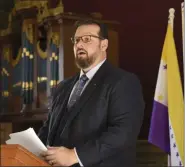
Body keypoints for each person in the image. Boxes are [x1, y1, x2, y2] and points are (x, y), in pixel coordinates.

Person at [38, 19, 145, 167]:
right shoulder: (63, 87)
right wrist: (32, 147)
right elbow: (49, 129)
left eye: (87, 39)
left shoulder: (123, 82)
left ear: (104, 44)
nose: (79, 45)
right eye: (76, 40)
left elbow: (123, 133)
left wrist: (75, 155)